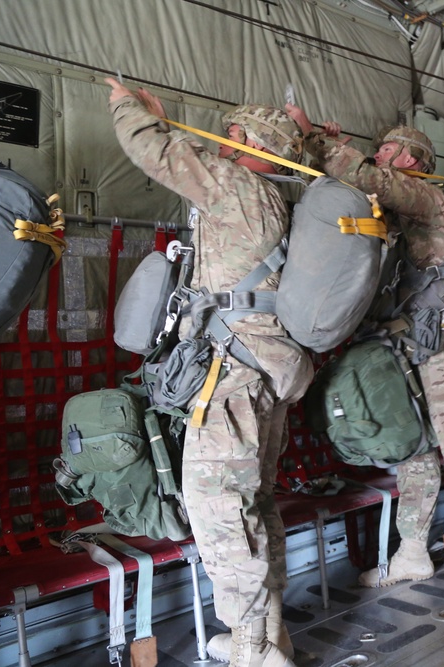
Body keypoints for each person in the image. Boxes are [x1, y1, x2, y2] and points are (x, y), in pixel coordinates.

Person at [106, 79, 312, 667]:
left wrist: (130, 107)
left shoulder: (238, 184)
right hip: (266, 367)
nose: (220, 143)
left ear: (244, 140)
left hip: (231, 377)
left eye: (228, 135)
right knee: (255, 503)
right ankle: (271, 638)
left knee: (221, 511)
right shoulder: (280, 195)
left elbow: (157, 152)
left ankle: (252, 651)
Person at [289, 107, 444, 617]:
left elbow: (368, 176)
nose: (379, 155)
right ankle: (413, 552)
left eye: (387, 149)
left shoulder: (423, 195)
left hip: (440, 335)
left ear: (410, 157)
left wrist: (315, 141)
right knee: (413, 450)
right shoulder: (391, 210)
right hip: (398, 338)